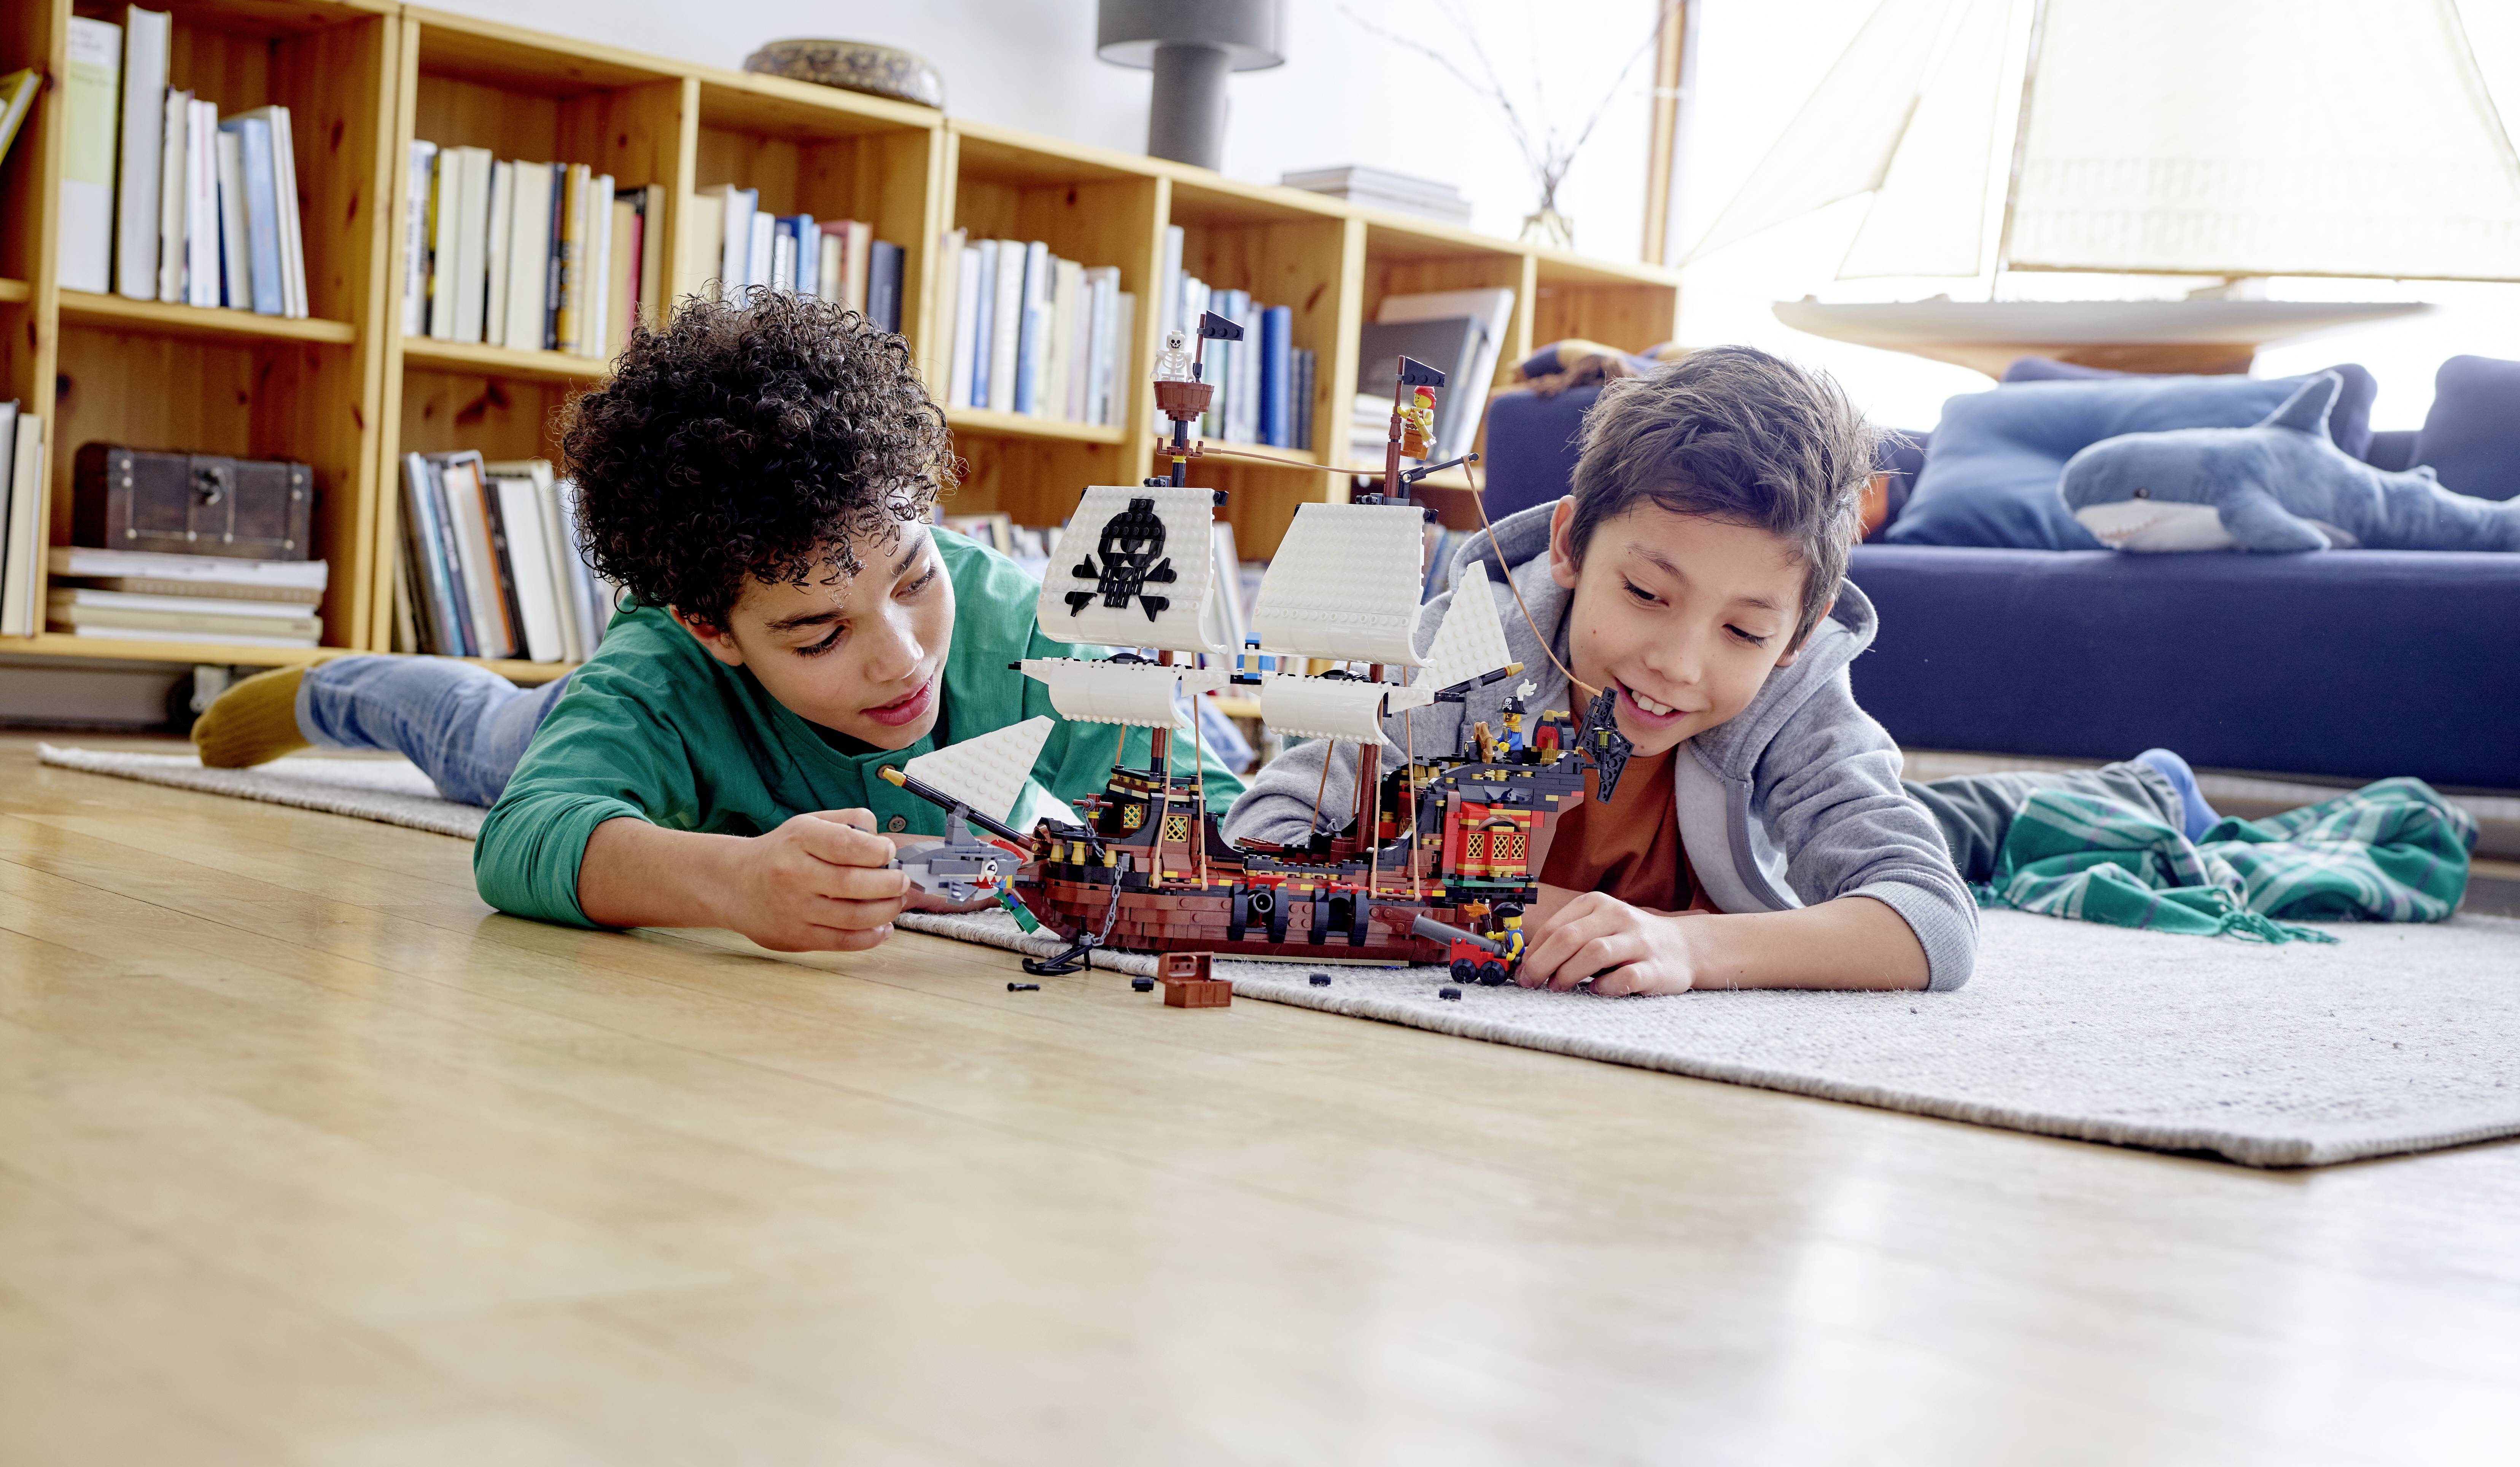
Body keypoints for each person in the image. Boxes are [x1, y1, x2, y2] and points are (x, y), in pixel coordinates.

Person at [190, 290, 1239, 953]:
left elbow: (1224, 823)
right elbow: (522, 841)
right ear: (712, 627)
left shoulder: (1026, 628)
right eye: (820, 634)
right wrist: (730, 882)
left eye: (916, 577)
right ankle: (334, 688)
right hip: (616, 725)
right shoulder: (663, 667)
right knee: (483, 739)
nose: (902, 657)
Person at [1225, 345, 2212, 996]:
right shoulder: (1470, 647)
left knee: (1981, 831)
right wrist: (1473, 908)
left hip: (1793, 826)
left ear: (1797, 636)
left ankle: (2149, 787)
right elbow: (1263, 832)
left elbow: (1934, 923)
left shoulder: (1796, 693)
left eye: (1744, 631)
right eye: (1646, 594)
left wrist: (1688, 946)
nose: (1678, 663)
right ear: (1569, 546)